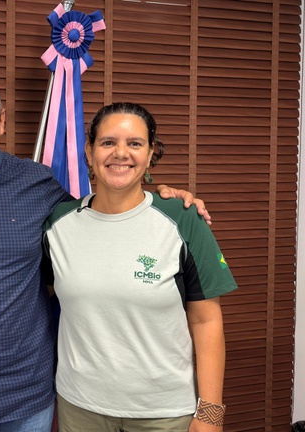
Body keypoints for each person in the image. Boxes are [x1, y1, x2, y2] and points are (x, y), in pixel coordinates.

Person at [0, 70, 210, 431]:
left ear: (1, 122)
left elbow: (103, 212)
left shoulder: (38, 183)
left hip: (26, 392)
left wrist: (162, 198)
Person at [43, 102, 236, 432]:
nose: (121, 153)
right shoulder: (57, 223)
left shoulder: (182, 219)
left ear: (150, 154)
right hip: (80, 408)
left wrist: (210, 413)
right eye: (108, 143)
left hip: (164, 413)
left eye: (134, 143)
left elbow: (206, 320)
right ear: (89, 152)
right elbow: (47, 297)